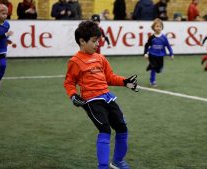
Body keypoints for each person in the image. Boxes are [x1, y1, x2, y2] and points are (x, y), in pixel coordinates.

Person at [64, 20, 138, 169]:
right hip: (91, 101)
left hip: (107, 98)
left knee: (122, 127)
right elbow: (69, 82)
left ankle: (118, 161)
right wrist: (73, 95)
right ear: (82, 41)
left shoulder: (100, 58)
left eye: (98, 40)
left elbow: (109, 77)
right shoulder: (75, 61)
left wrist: (125, 82)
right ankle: (103, 166)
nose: (97, 44)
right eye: (94, 41)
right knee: (105, 129)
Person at [143, 18, 174, 87]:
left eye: (160, 26)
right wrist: (145, 53)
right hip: (152, 55)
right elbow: (147, 45)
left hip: (160, 56)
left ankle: (150, 66)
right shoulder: (151, 37)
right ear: (153, 28)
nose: (158, 28)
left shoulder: (164, 37)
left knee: (159, 70)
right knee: (154, 68)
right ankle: (152, 81)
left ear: (162, 27)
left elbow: (168, 46)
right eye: (156, 26)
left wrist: (171, 54)